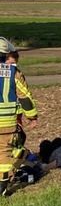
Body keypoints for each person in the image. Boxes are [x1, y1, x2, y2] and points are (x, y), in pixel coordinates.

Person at [0, 38, 38, 196]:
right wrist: (32, 116)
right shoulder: (13, 73)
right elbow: (25, 98)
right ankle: (2, 186)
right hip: (7, 123)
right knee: (3, 153)